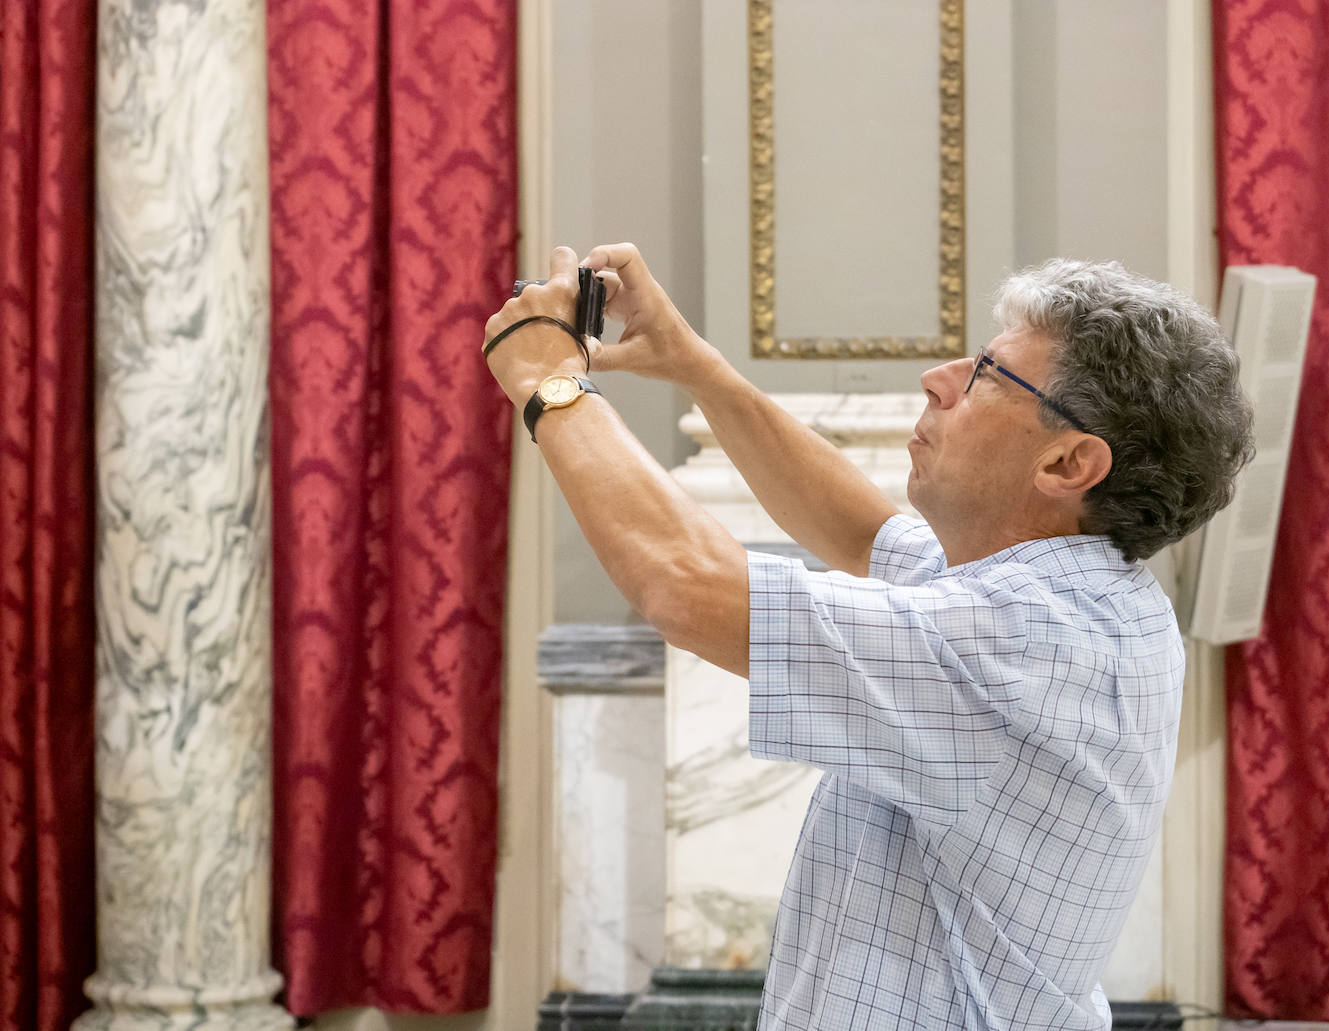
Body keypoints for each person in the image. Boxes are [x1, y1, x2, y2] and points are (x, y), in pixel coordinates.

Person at [482, 244, 1254, 1030]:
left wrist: (551, 386)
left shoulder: (1024, 640)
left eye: (986, 374)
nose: (939, 378)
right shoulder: (1085, 592)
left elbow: (687, 586)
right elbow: (861, 531)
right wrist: (696, 365)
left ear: (1067, 461)